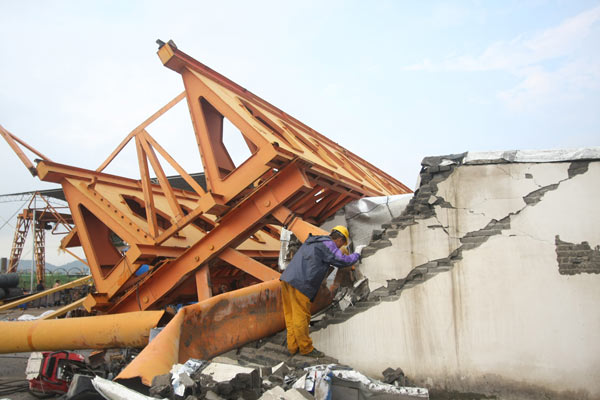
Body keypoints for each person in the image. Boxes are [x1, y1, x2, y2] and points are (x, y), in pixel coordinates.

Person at [279, 225, 365, 357]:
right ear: (340, 239)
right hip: (301, 282)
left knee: (290, 315)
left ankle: (293, 347)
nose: (339, 247)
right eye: (342, 243)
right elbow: (341, 260)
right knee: (302, 316)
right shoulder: (329, 245)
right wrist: (357, 254)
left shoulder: (315, 240)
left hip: (288, 278)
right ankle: (306, 349)